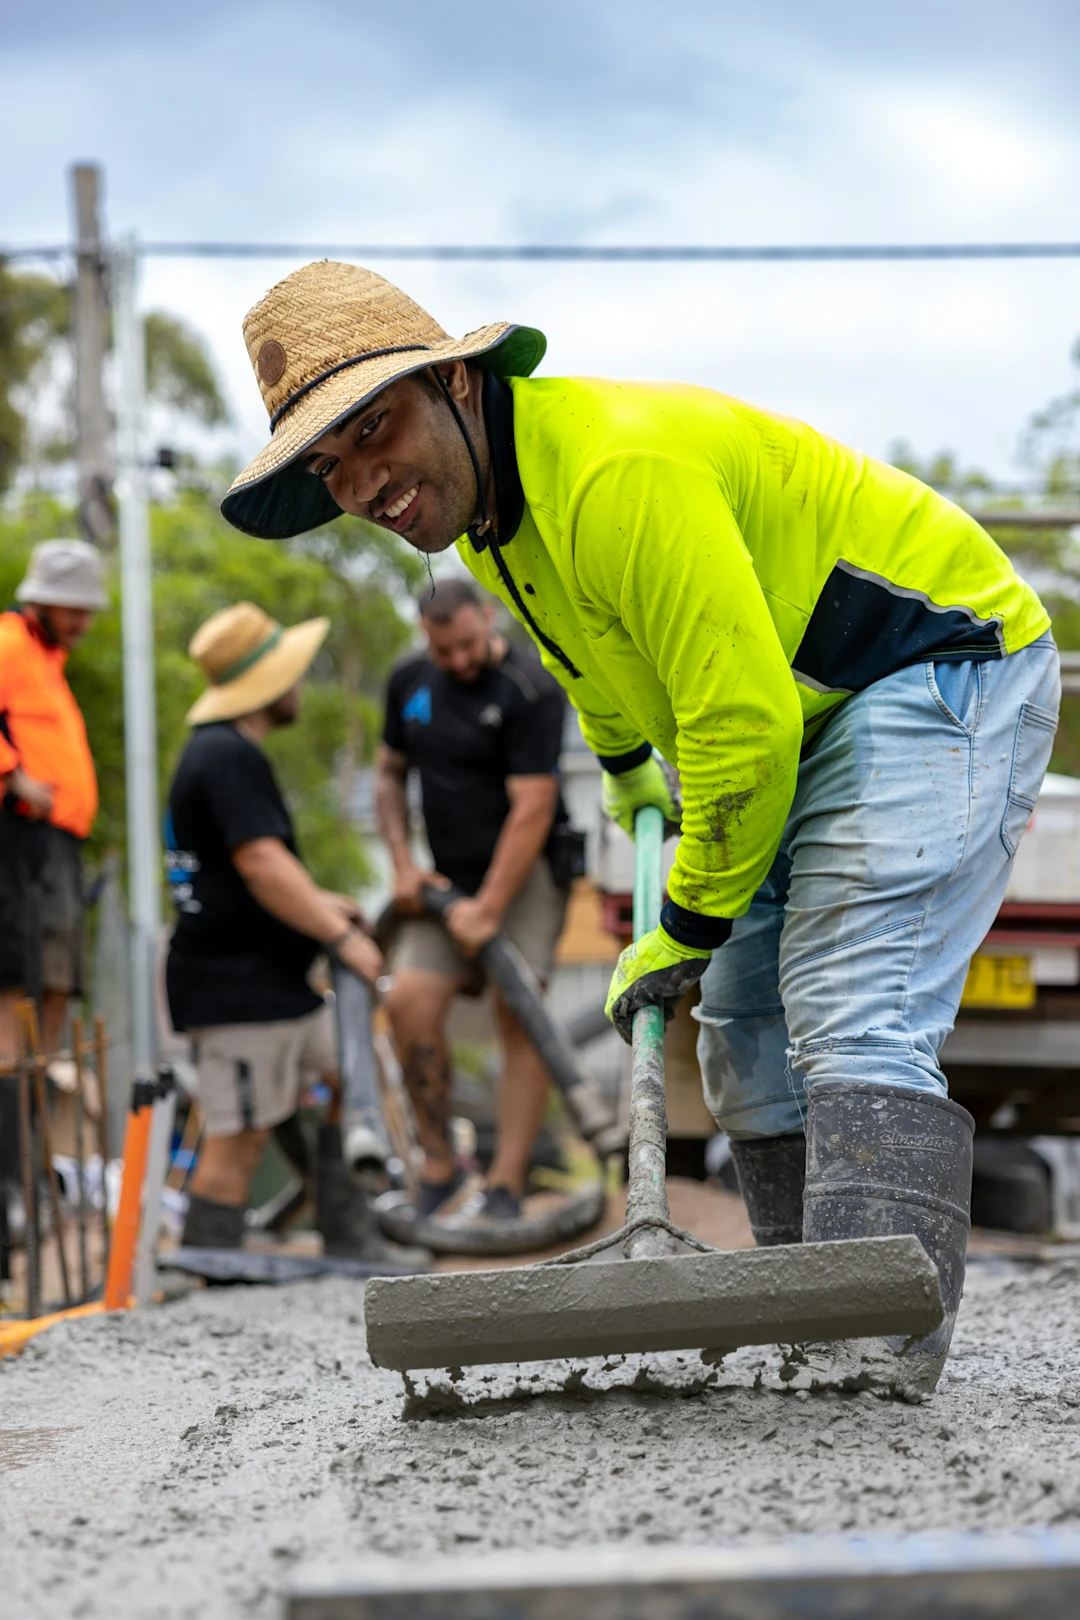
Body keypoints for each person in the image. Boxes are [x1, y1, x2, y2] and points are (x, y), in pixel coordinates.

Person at [218, 261, 1058, 1389]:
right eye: (333, 465)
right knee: (745, 1031)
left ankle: (881, 1353)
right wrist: (623, 767)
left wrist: (685, 923)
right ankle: (815, 1318)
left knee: (849, 1000)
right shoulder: (490, 526)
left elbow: (742, 726)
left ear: (457, 382)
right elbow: (594, 655)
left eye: (376, 430)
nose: (365, 482)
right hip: (806, 716)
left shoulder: (614, 470)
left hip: (931, 666)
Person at [164, 600, 387, 1255]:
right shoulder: (227, 755)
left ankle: (349, 1237)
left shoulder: (225, 753)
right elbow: (259, 862)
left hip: (273, 983)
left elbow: (249, 868)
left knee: (351, 1070)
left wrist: (320, 902)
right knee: (239, 1136)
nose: (298, 685)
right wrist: (341, 936)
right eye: (290, 673)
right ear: (266, 685)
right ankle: (213, 1266)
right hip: (233, 988)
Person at [375, 576, 570, 1227]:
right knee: (407, 1003)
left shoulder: (529, 687)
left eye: (466, 645)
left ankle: (505, 1184)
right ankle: (437, 1166)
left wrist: (488, 908)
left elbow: (534, 806)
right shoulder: (408, 682)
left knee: (518, 1018)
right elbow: (387, 773)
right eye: (442, 650)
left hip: (525, 878)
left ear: (488, 618)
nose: (456, 661)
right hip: (445, 884)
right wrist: (403, 865)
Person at [0, 539, 104, 1066]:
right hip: (22, 842)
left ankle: (34, 1101)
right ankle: (13, 1105)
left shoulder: (47, 658)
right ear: (43, 600)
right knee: (18, 978)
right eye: (76, 609)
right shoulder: (10, 641)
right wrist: (14, 776)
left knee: (57, 980)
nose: (84, 622)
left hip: (56, 846)